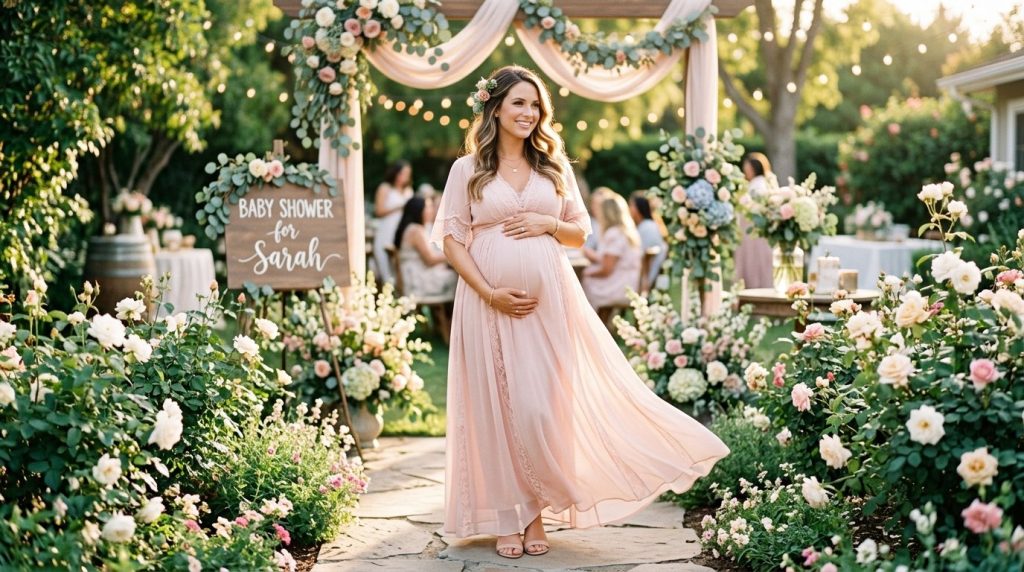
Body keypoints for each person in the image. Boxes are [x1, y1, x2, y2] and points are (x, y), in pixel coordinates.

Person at [430, 65, 729, 560]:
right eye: (519, 103)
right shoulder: (467, 171)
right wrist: (488, 291)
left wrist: (548, 221)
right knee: (500, 407)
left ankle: (539, 511)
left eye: (535, 106)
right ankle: (512, 514)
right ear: (496, 107)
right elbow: (451, 241)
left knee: (542, 408)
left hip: (552, 304)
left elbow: (580, 231)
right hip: (488, 305)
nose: (528, 113)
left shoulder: (553, 165)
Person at [581, 193, 643, 310]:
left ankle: (591, 322)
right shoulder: (626, 232)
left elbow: (606, 270)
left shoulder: (614, 234)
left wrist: (586, 273)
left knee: (580, 283)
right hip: (627, 283)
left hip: (619, 286)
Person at [393, 196, 457, 299]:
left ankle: (444, 314)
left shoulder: (411, 228)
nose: (431, 210)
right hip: (418, 283)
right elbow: (430, 260)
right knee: (458, 278)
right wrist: (454, 254)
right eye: (428, 207)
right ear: (418, 210)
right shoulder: (416, 230)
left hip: (412, 279)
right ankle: (452, 314)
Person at [735, 152, 774, 289]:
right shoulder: (759, 184)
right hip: (750, 233)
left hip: (754, 235)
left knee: (755, 262)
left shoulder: (759, 185)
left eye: (747, 169)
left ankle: (755, 287)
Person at [372, 160, 414, 284]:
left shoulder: (408, 190)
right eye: (402, 173)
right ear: (396, 173)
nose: (405, 177)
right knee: (385, 264)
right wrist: (400, 206)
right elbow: (378, 211)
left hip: (401, 231)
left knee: (399, 265)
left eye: (407, 174)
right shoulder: (385, 188)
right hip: (386, 230)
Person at [629, 191, 669, 288]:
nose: (628, 209)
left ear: (637, 208)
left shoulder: (647, 227)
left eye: (630, 205)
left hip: (643, 279)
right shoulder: (647, 225)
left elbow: (637, 256)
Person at [582, 186, 614, 251]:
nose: (594, 207)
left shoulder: (613, 226)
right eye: (593, 203)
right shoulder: (588, 222)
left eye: (599, 204)